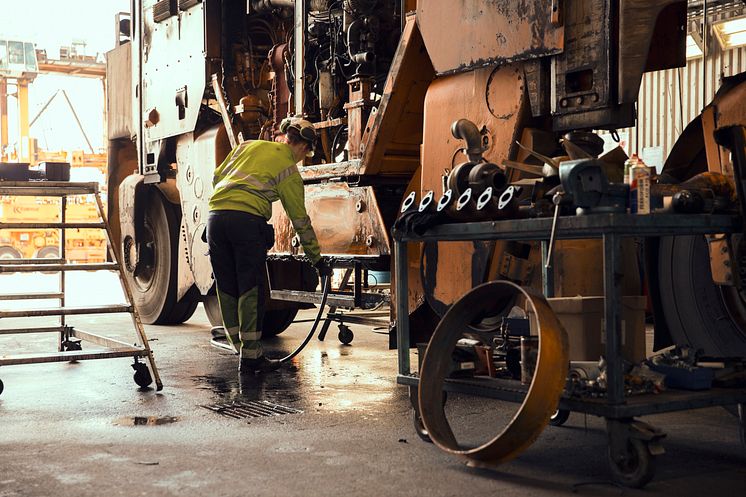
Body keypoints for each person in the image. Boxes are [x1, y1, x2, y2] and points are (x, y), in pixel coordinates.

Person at [207, 117, 332, 374]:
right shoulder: (288, 168)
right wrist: (317, 259)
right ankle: (251, 356)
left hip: (215, 218)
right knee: (250, 289)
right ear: (302, 148)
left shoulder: (248, 146)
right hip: (247, 223)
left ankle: (239, 347)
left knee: (227, 286)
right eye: (305, 154)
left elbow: (217, 175)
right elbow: (299, 219)